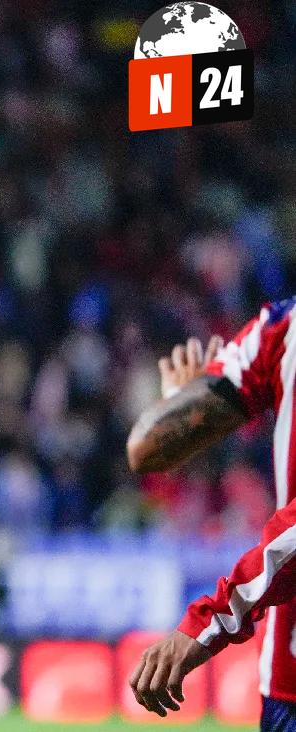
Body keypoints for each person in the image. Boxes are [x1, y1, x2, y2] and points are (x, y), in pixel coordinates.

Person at [126, 304, 296, 730]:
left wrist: (209, 619)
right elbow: (148, 450)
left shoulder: (279, 326)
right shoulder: (277, 329)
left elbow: (148, 445)